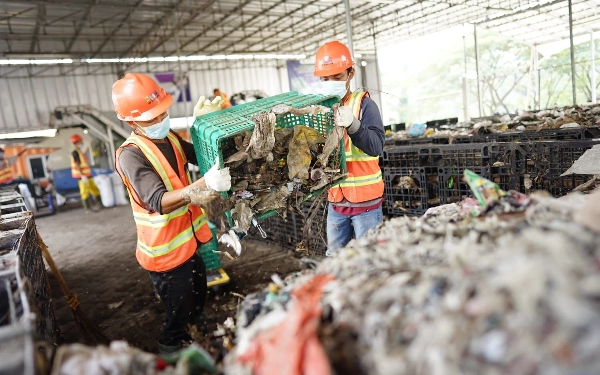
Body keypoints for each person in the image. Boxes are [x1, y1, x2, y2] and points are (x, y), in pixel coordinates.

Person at [112, 73, 230, 354]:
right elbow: (158, 201)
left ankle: (196, 335)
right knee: (179, 312)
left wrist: (205, 125)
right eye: (151, 117)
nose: (160, 120)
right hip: (164, 251)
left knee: (198, 295)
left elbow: (200, 155)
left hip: (187, 241)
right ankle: (173, 350)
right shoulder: (130, 155)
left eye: (162, 112)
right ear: (131, 122)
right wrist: (205, 183)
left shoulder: (170, 136)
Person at [313, 40, 385, 256]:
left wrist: (354, 125)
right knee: (335, 259)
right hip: (336, 203)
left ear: (350, 73)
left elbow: (376, 146)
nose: (331, 83)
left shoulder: (364, 104)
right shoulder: (321, 110)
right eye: (325, 79)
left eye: (337, 77)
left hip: (366, 206)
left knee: (368, 260)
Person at [70, 134, 102, 212]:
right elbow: (77, 164)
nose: (82, 142)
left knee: (94, 189)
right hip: (82, 177)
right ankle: (87, 208)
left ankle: (100, 204)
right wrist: (82, 175)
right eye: (81, 141)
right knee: (84, 192)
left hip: (87, 175)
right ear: (77, 142)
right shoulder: (75, 152)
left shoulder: (79, 151)